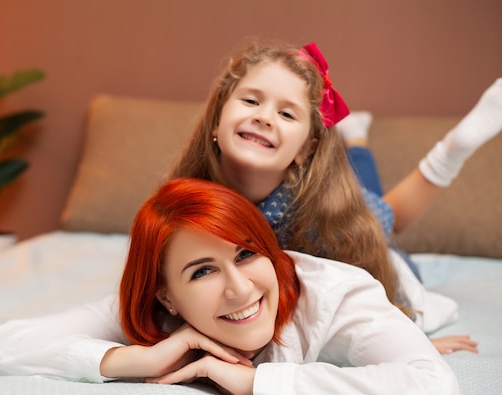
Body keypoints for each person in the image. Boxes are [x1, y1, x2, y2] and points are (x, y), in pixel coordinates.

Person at [0, 178, 461, 395]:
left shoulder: (340, 293)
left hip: (399, 278)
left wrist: (257, 382)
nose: (240, 288)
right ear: (167, 296)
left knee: (375, 209)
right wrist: (135, 359)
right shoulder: (149, 307)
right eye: (202, 270)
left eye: (247, 254)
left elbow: (437, 390)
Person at [168, 38, 497, 353]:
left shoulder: (324, 225)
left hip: (376, 259)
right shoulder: (187, 196)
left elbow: (369, 288)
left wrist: (407, 337)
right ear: (216, 121)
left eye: (286, 114)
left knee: (383, 218)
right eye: (251, 101)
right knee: (364, 197)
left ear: (305, 150)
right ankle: (357, 136)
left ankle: (447, 154)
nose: (263, 117)